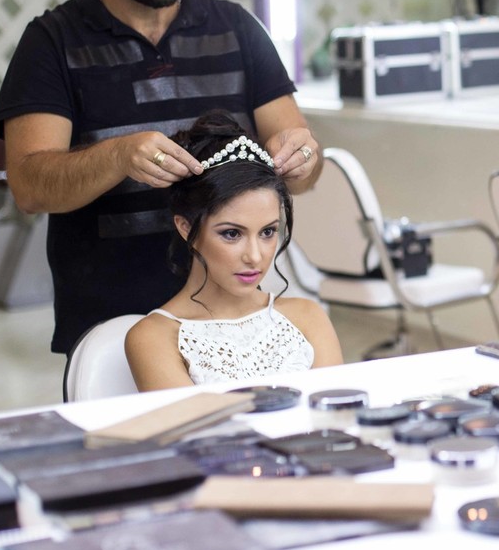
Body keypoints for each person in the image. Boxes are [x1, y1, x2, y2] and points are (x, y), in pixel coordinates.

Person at [0, 0, 321, 355]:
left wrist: (303, 157)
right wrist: (119, 155)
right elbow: (30, 187)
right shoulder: (52, 42)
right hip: (110, 330)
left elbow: (303, 172)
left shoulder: (237, 30)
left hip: (232, 322)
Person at [125, 112, 341, 391]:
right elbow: (199, 432)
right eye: (232, 234)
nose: (255, 256)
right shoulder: (153, 338)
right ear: (185, 227)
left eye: (267, 232)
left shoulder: (308, 317)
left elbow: (336, 420)